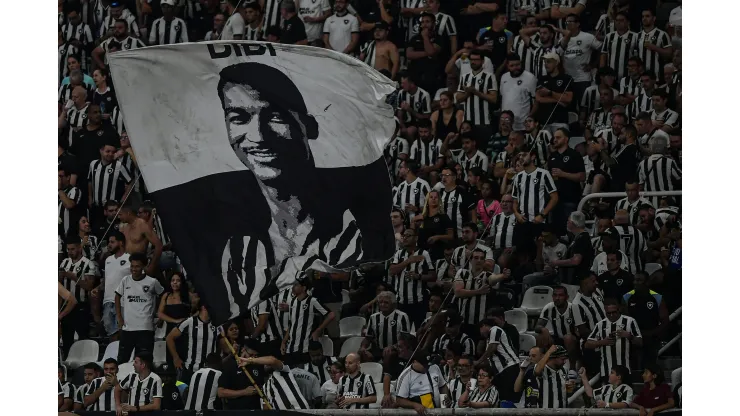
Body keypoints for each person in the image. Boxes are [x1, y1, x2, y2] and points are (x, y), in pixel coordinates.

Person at [217, 61, 375, 315]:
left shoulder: (351, 221)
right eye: (239, 118)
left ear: (308, 126)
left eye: (275, 116)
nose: (258, 135)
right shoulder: (239, 245)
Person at [115, 252, 164, 363]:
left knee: (143, 362)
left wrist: (160, 314)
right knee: (122, 361)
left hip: (145, 328)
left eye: (137, 266)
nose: (134, 269)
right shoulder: (125, 280)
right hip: (128, 329)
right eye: (132, 266)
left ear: (143, 266)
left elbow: (163, 296)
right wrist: (119, 318)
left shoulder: (152, 282)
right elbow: (117, 297)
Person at [280, 278, 335, 366]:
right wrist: (284, 341)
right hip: (291, 347)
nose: (293, 287)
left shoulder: (312, 301)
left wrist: (318, 330)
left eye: (296, 285)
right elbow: (292, 324)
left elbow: (331, 315)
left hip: (306, 348)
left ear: (304, 288)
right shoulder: (292, 302)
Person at [59, 235, 99, 356]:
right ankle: (67, 364)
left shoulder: (88, 264)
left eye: (73, 249)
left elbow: (89, 286)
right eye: (68, 249)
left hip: (81, 306)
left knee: (83, 337)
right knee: (67, 339)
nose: (70, 252)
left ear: (79, 248)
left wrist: (72, 276)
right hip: (66, 306)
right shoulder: (64, 262)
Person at [584, 298, 643, 379]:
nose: (611, 315)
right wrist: (602, 342)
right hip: (606, 371)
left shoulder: (630, 321)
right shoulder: (600, 324)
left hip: (625, 369)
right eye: (608, 313)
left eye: (614, 312)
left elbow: (640, 342)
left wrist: (629, 336)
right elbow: (587, 344)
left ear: (619, 309)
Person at [166, 298, 220, 382]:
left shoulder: (217, 325)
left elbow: (223, 344)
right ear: (204, 307)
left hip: (211, 371)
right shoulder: (189, 322)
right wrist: (176, 358)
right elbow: (169, 337)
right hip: (191, 370)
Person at [624, 272, 670, 367]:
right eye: (635, 280)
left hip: (651, 338)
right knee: (634, 366)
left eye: (639, 280)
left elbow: (665, 320)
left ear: (647, 282)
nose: (635, 282)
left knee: (650, 366)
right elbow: (625, 319)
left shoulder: (657, 297)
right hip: (634, 339)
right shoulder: (627, 297)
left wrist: (654, 334)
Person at [91, 231, 129, 341]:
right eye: (109, 242)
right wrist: (97, 288)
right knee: (111, 330)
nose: (109, 245)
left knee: (123, 330)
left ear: (121, 243)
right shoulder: (108, 260)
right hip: (107, 301)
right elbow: (106, 280)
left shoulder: (129, 258)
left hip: (122, 301)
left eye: (112, 242)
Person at [547, 128, 586, 234]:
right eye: (554, 137)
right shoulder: (552, 157)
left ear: (566, 139)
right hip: (554, 200)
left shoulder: (574, 155)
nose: (555, 140)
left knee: (570, 230)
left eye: (558, 137)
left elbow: (582, 177)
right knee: (555, 231)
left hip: (570, 199)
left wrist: (563, 174)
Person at [238, 354, 311, 410]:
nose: (266, 364)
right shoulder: (264, 388)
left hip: (300, 411)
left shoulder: (284, 372)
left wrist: (250, 361)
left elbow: (272, 360)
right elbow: (266, 409)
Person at [477, 318, 520, 403]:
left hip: (509, 366)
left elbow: (492, 348)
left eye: (480, 329)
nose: (480, 333)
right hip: (501, 371)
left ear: (484, 326)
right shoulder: (490, 338)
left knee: (509, 398)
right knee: (502, 398)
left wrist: (478, 361)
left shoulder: (495, 329)